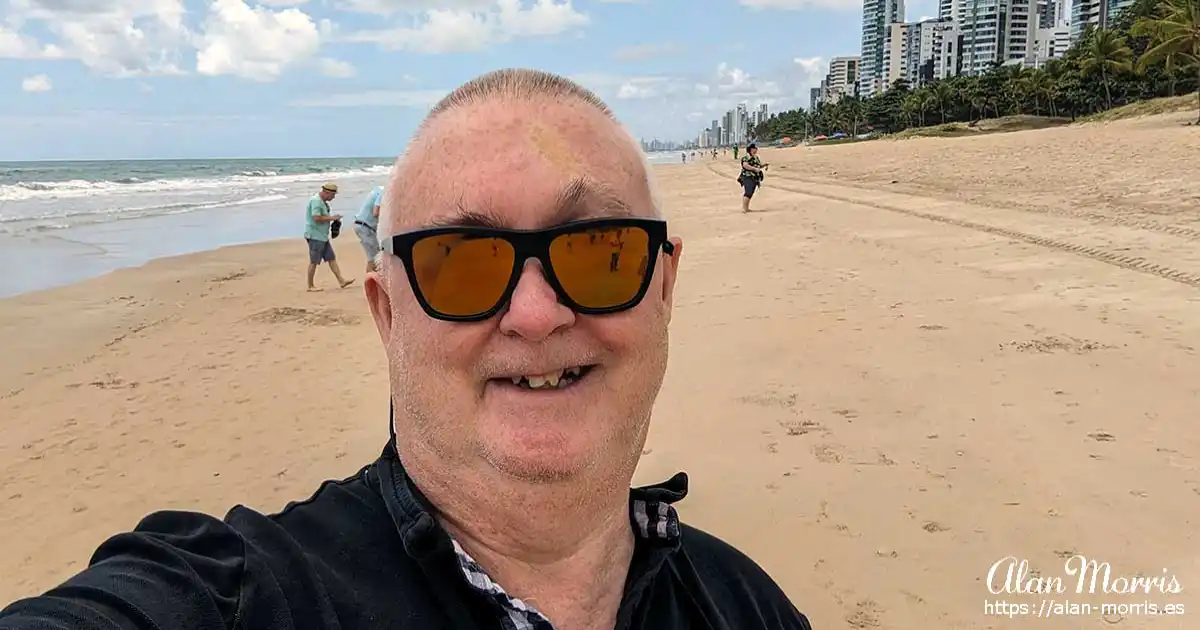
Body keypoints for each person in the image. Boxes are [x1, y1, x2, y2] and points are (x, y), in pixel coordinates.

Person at [0, 69, 810, 630]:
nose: (535, 314)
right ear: (388, 316)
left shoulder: (747, 604)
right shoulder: (243, 594)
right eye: (461, 261)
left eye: (597, 248)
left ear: (663, 287)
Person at [304, 183, 354, 291]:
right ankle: (310, 286)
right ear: (327, 193)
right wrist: (332, 218)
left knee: (331, 258)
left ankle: (341, 281)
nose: (333, 197)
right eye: (333, 195)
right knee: (314, 261)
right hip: (315, 235)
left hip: (322, 236)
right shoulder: (316, 201)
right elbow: (316, 217)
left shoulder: (323, 202)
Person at [354, 184, 385, 273]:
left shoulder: (379, 189)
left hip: (362, 225)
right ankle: (371, 284)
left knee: (373, 257)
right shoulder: (384, 192)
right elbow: (376, 212)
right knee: (375, 258)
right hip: (365, 227)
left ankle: (371, 283)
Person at [738, 143, 768, 213]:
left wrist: (764, 165)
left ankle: (746, 208)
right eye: (755, 148)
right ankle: (744, 208)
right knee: (748, 192)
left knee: (751, 192)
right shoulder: (746, 157)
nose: (756, 149)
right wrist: (754, 169)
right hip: (747, 176)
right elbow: (745, 165)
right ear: (751, 149)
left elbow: (758, 166)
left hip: (754, 177)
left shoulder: (756, 157)